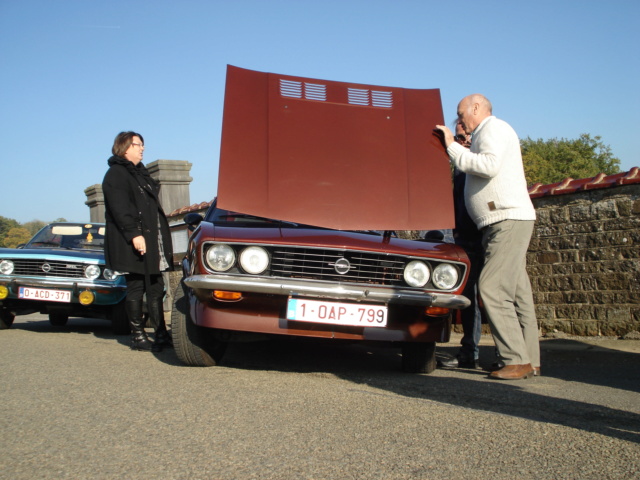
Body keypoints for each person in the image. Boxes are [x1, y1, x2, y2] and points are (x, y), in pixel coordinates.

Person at [435, 95, 540, 380]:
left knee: (492, 288)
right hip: (502, 222)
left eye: (461, 114)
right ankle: (530, 359)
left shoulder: (492, 128)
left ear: (477, 108)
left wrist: (451, 146)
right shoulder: (490, 131)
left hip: (506, 220)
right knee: (519, 294)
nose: (461, 122)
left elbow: (488, 166)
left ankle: (515, 360)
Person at [102, 131, 174, 352]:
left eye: (143, 144)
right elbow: (119, 208)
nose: (142, 148)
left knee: (156, 286)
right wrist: (134, 234)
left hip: (152, 238)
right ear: (124, 147)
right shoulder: (116, 173)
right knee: (135, 286)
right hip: (135, 239)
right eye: (137, 144)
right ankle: (137, 336)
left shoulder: (140, 174)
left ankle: (161, 333)